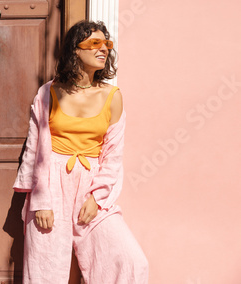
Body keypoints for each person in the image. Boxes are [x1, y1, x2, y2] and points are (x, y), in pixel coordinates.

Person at [13, 20, 149, 283]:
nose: (104, 49)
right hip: (51, 185)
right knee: (44, 271)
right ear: (75, 50)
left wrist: (97, 198)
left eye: (106, 44)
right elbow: (34, 149)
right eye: (94, 43)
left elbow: (112, 155)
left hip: (91, 185)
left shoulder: (113, 95)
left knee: (132, 260)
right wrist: (41, 201)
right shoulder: (48, 92)